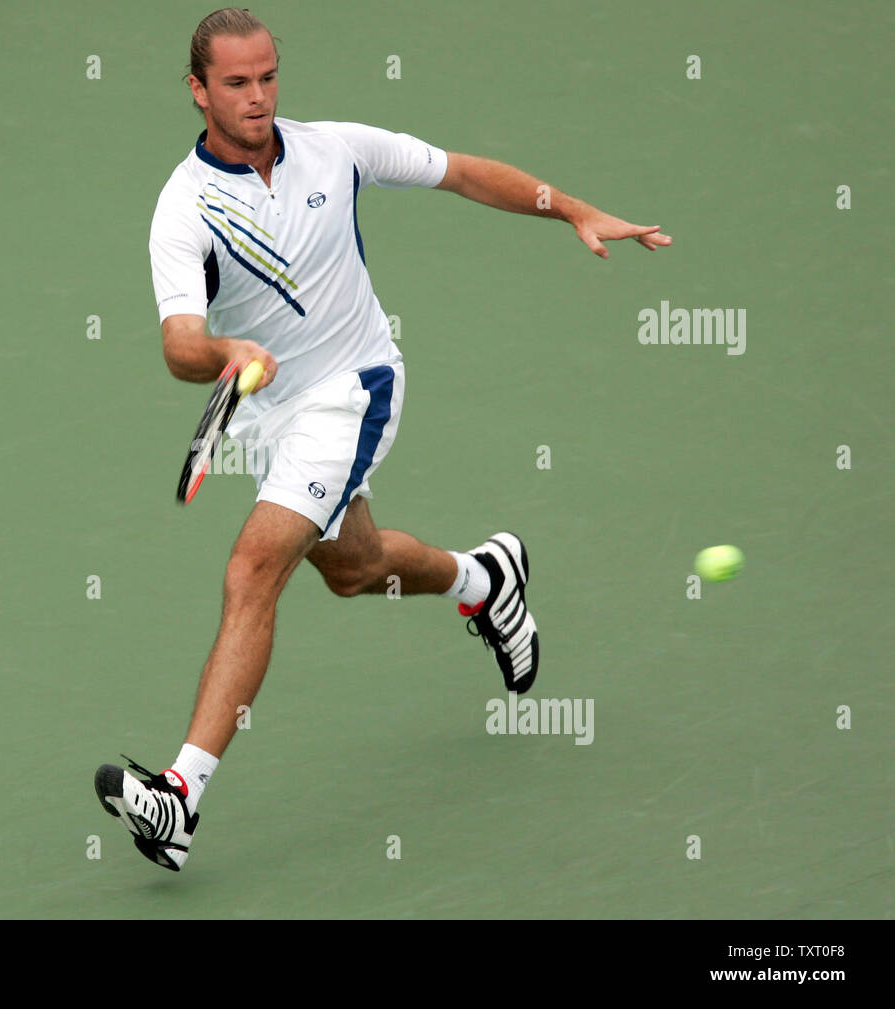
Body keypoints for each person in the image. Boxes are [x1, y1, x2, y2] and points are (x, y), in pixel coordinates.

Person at [95, 7, 671, 871]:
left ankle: (179, 796)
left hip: (353, 389)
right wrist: (225, 350)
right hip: (270, 410)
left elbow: (464, 174)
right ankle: (486, 578)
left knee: (254, 569)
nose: (258, 98)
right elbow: (181, 344)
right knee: (353, 569)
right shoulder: (185, 208)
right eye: (237, 84)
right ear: (197, 90)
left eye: (268, 77)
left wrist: (574, 210)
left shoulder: (336, 149)